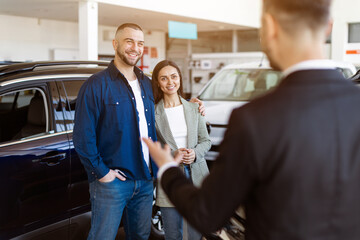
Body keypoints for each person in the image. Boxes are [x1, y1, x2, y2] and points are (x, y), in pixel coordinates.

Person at [143, 0, 360, 239]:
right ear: (328, 26)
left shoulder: (253, 119)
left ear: (269, 27)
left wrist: (168, 169)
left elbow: (207, 213)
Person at [73, 23, 205, 240]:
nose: (135, 47)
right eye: (129, 41)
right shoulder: (95, 85)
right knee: (102, 236)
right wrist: (103, 173)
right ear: (115, 44)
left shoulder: (146, 83)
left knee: (140, 237)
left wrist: (193, 105)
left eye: (140, 43)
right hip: (112, 182)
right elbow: (83, 137)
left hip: (144, 181)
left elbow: (168, 103)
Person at [151, 60, 211, 240]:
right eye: (164, 78)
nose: (170, 82)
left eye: (174, 76)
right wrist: (172, 156)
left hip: (196, 175)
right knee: (172, 234)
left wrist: (195, 154)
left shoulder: (194, 108)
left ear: (179, 79)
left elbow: (206, 141)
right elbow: (153, 147)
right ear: (158, 83)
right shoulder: (153, 112)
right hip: (169, 177)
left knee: (195, 233)